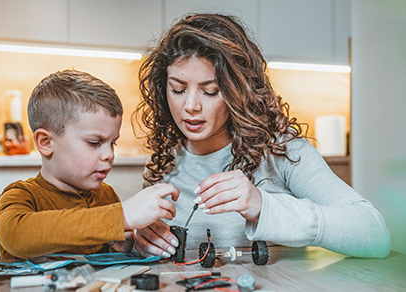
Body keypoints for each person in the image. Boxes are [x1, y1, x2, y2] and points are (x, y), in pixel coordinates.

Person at [132, 13, 391, 259]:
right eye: (177, 89)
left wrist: (264, 206)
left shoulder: (282, 152)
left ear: (238, 91)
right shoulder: (163, 162)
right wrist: (139, 239)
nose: (190, 106)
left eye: (210, 91)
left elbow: (374, 234)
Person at [0, 69, 180, 260]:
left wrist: (123, 247)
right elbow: (15, 236)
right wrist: (120, 217)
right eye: (94, 143)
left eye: (112, 143)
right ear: (46, 142)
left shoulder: (107, 196)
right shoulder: (21, 195)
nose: (109, 155)